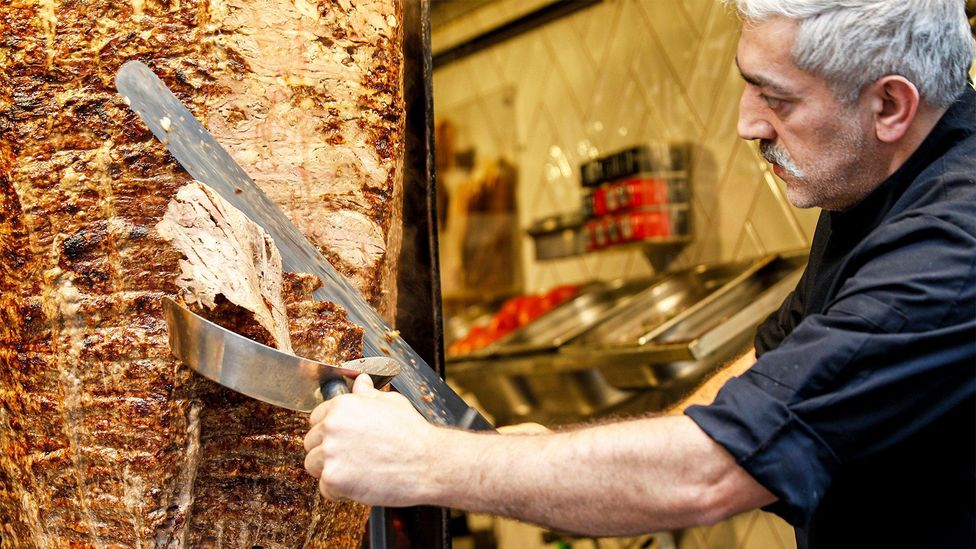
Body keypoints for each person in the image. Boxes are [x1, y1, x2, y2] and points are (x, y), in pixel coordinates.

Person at [303, 1, 976, 547]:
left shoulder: (952, 246)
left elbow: (712, 471)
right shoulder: (879, 186)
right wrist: (551, 465)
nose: (745, 123)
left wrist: (426, 461)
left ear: (890, 106)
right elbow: (761, 382)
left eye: (778, 98)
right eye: (748, 83)